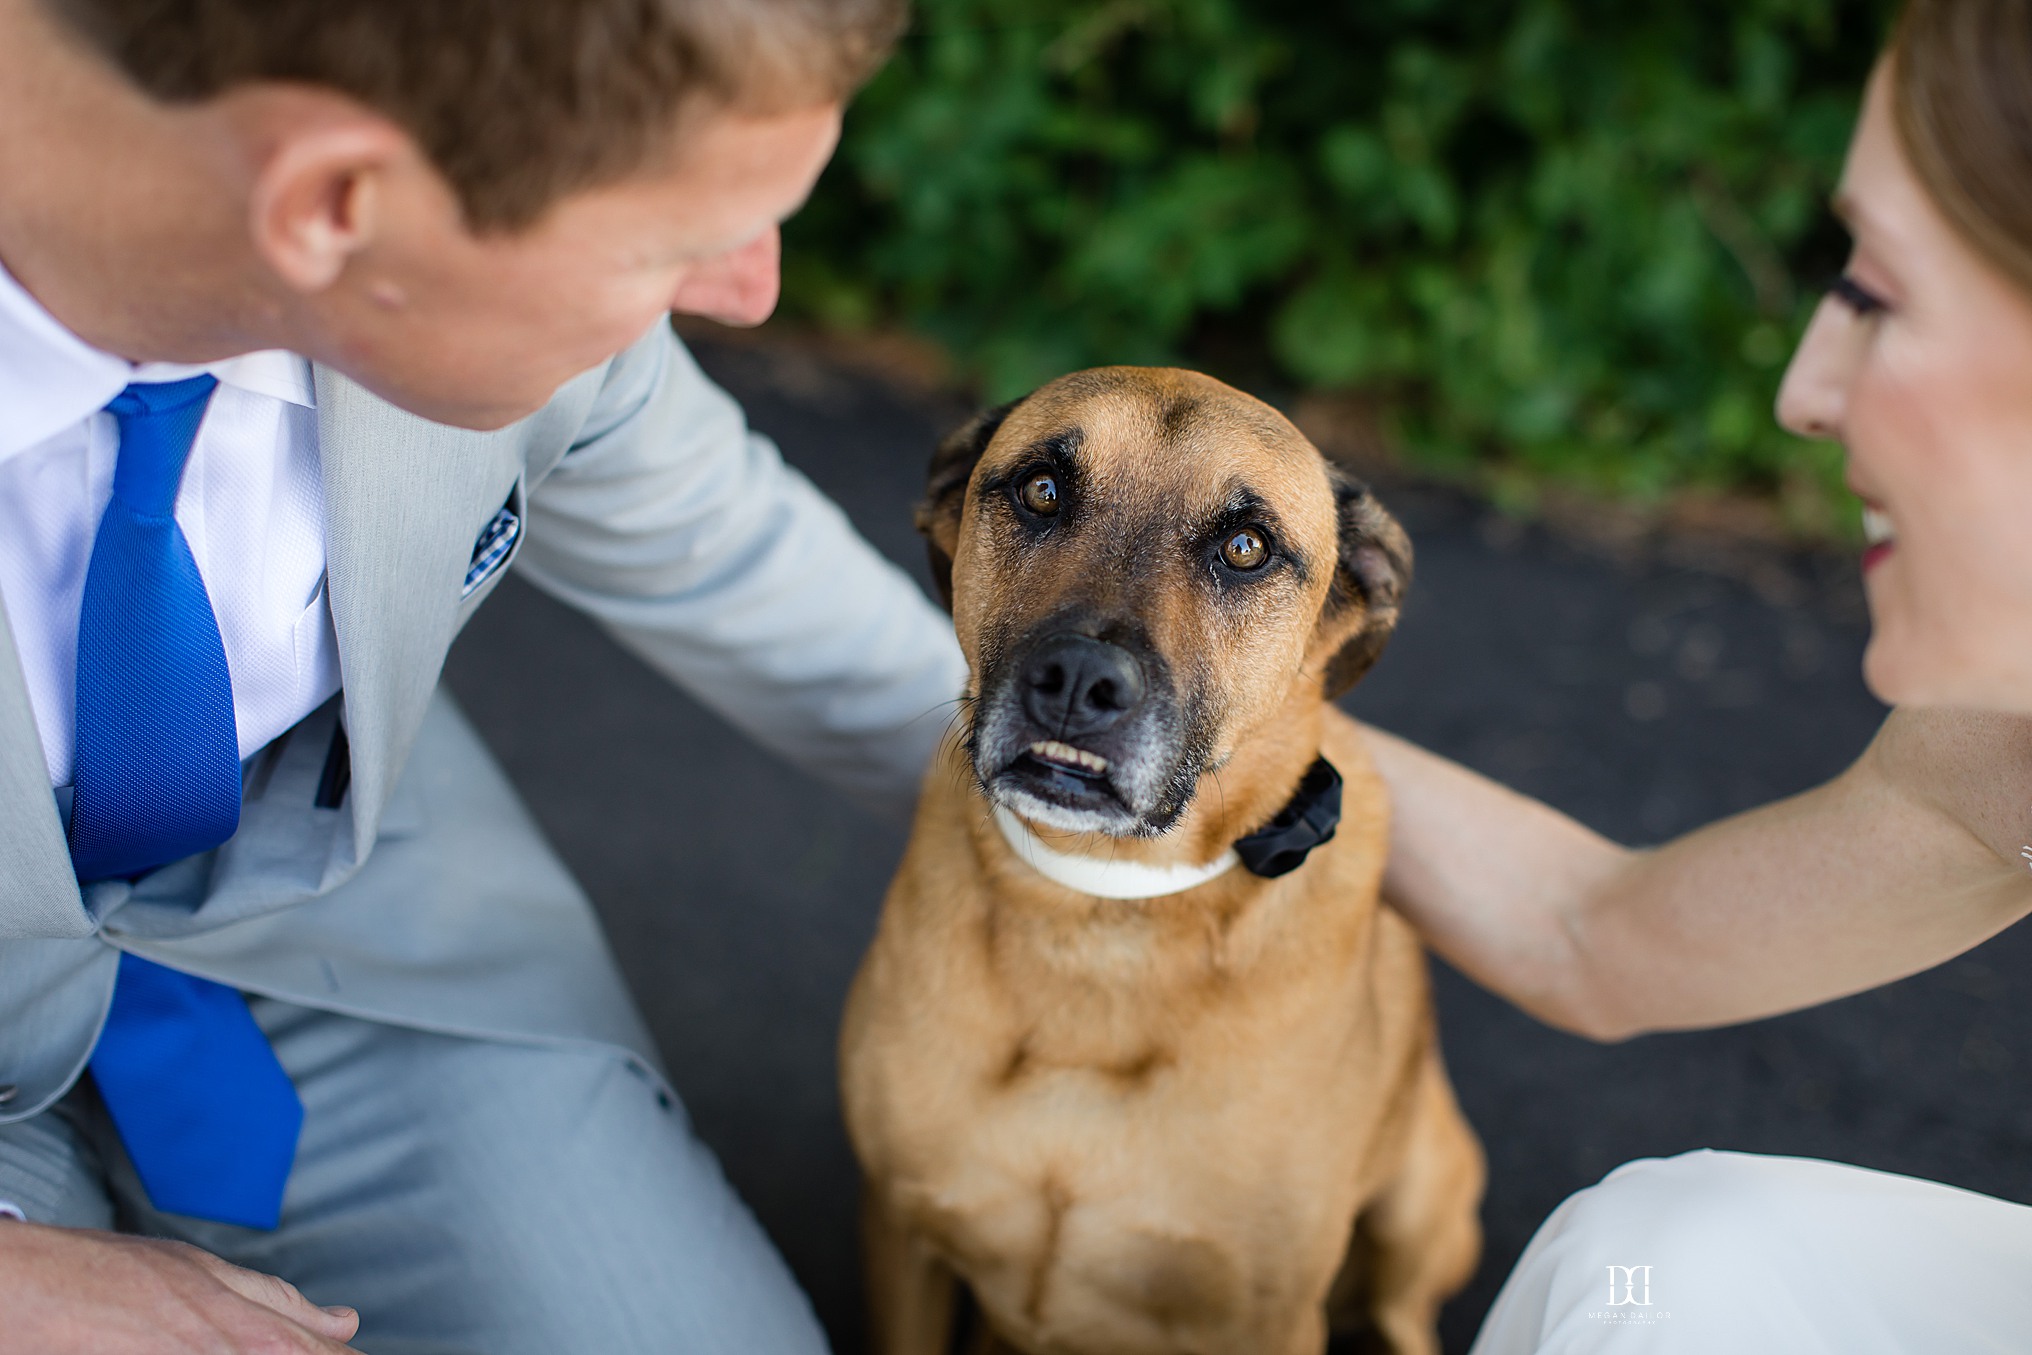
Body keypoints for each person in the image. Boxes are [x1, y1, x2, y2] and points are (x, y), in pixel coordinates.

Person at [0, 0, 966, 1351]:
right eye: (675, 242)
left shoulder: (458, 207)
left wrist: (1270, 803)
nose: (748, 292)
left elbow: (748, 568)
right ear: (338, 204)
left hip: (322, 914)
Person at [1361, 1, 2032, 1349]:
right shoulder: (2007, 753)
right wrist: (1174, 713)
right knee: (1661, 1267)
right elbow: (1589, 934)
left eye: (1879, 293)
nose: (1802, 390)